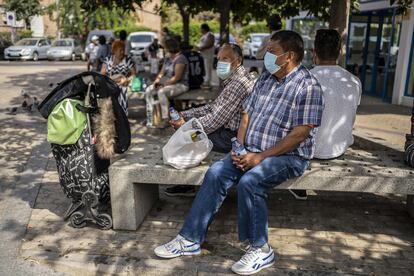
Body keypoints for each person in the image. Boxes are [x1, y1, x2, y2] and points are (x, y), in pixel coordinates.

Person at [154, 30, 324, 275]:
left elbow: (300, 134)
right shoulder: (266, 78)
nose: (265, 56)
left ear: (290, 56)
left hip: (290, 156)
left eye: (272, 52)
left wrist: (261, 157)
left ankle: (260, 249)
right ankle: (189, 239)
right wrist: (240, 146)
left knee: (251, 182)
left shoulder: (307, 86)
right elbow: (246, 115)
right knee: (215, 173)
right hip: (250, 150)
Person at [165, 43, 255, 197]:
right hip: (225, 131)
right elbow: (214, 107)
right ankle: (189, 182)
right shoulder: (236, 78)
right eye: (219, 59)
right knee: (189, 134)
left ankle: (188, 184)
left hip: (231, 137)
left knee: (190, 138)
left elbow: (214, 120)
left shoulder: (238, 84)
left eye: (225, 59)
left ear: (238, 61)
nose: (220, 63)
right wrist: (186, 115)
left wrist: (186, 126)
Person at [312, 29, 361, 158]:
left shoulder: (304, 79)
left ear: (314, 52)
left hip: (308, 150)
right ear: (340, 53)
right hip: (340, 148)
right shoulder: (354, 81)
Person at [145, 38, 189, 128]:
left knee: (161, 92)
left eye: (165, 48)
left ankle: (166, 119)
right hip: (167, 83)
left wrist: (162, 85)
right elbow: (161, 72)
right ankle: (150, 117)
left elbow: (177, 78)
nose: (164, 50)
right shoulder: (168, 58)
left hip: (180, 85)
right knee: (148, 90)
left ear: (170, 48)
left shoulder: (181, 59)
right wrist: (157, 81)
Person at [101, 40, 136, 115]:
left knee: (122, 90)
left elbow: (134, 75)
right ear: (114, 51)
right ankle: (111, 113)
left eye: (123, 50)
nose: (122, 52)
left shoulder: (127, 60)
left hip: (123, 84)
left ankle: (122, 115)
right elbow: (102, 75)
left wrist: (127, 79)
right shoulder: (108, 60)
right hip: (110, 83)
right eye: (120, 50)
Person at [196, 23, 215, 88]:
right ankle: (206, 82)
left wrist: (201, 48)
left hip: (208, 55)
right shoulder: (204, 35)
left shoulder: (210, 35)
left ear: (204, 29)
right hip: (204, 55)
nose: (200, 30)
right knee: (205, 69)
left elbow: (210, 44)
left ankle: (208, 82)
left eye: (201, 29)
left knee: (208, 69)